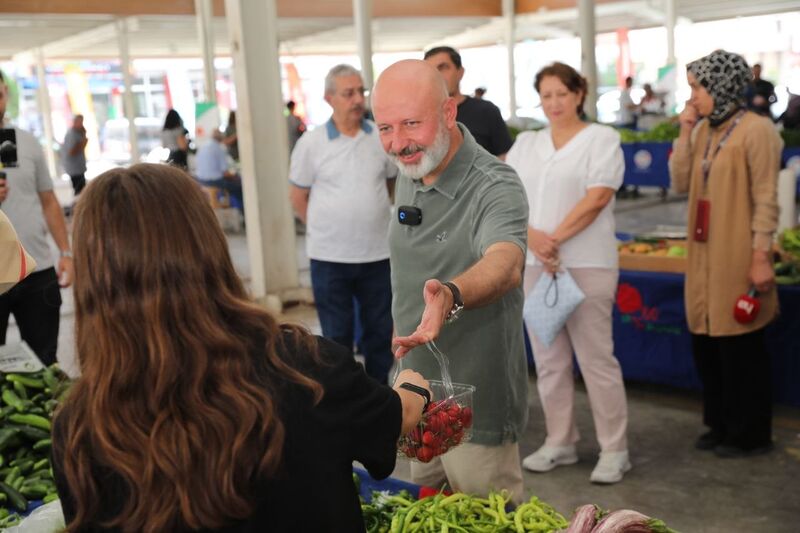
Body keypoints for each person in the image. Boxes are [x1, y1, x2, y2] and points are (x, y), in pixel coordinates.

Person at [51, 163, 431, 532]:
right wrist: (412, 388)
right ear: (207, 248)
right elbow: (393, 420)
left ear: (95, 282)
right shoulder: (306, 369)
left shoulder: (81, 429)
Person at [372, 59, 529, 502]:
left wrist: (451, 294)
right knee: (426, 515)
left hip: (475, 403)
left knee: (486, 519)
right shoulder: (415, 168)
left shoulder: (494, 185)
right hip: (414, 391)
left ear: (448, 113)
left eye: (410, 123)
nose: (398, 143)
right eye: (384, 127)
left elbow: (505, 261)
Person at [506, 62, 631, 485]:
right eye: (546, 95)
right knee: (549, 361)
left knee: (597, 359)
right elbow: (508, 198)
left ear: (579, 94)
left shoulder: (602, 138)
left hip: (587, 263)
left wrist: (552, 239)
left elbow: (597, 198)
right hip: (537, 266)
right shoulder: (526, 144)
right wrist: (533, 239)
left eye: (562, 93)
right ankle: (560, 440)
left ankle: (615, 449)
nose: (554, 103)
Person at [670, 50, 781, 458]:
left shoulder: (757, 130)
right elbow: (680, 181)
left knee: (740, 344)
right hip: (702, 254)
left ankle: (750, 432)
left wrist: (760, 254)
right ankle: (719, 424)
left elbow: (767, 198)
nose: (693, 97)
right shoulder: (701, 131)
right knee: (707, 340)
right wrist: (684, 132)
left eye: (697, 88)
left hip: (737, 251)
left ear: (720, 85)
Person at [288, 64, 396, 385]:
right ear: (329, 98)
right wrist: (324, 228)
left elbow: (391, 186)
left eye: (361, 91)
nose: (357, 100)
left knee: (379, 332)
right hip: (330, 258)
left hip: (377, 255)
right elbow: (298, 197)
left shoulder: (380, 137)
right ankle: (345, 402)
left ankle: (378, 394)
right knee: (336, 338)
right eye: (348, 93)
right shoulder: (312, 143)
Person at [0, 69, 73, 366]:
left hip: (37, 273)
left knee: (44, 363)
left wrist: (66, 253)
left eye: (0, 94)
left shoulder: (27, 143)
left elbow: (49, 201)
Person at [424, 46, 513, 159]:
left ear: (460, 72)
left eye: (443, 67)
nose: (437, 75)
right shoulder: (420, 116)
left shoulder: (486, 111)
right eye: (432, 70)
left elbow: (504, 156)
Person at [195, 129, 244, 213]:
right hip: (214, 181)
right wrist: (236, 176)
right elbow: (225, 173)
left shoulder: (203, 146)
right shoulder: (219, 148)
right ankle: (242, 212)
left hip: (200, 180)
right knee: (239, 186)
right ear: (221, 138)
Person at [62, 114, 88, 196]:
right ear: (75, 122)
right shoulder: (71, 134)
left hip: (79, 167)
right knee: (79, 191)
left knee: (82, 189)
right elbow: (71, 152)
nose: (81, 124)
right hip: (74, 168)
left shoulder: (79, 132)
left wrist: (84, 134)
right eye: (80, 122)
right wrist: (83, 143)